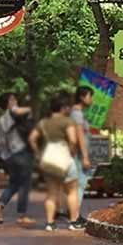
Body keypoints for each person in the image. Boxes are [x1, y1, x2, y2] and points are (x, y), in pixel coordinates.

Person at [32, 91, 84, 231]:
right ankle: (73, 222)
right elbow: (73, 140)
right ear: (63, 108)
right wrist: (71, 152)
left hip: (49, 159)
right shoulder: (67, 121)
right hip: (65, 158)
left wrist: (38, 153)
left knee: (51, 193)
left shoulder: (43, 122)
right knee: (72, 191)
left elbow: (32, 138)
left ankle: (50, 223)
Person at [0, 93, 35, 226]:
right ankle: (22, 215)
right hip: (19, 152)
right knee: (25, 183)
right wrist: (29, 109)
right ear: (7, 103)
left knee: (14, 183)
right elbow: (19, 110)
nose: (15, 101)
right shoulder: (10, 114)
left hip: (7, 156)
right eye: (12, 99)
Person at [70, 86, 94, 224]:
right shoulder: (77, 114)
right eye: (90, 96)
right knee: (79, 184)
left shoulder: (78, 113)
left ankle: (75, 213)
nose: (91, 99)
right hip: (78, 155)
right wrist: (85, 156)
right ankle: (75, 215)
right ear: (82, 97)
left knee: (79, 184)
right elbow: (79, 135)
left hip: (79, 154)